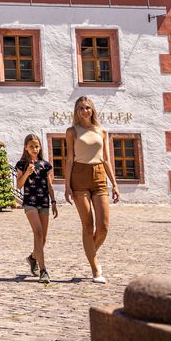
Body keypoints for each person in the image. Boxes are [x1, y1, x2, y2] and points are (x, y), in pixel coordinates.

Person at [63, 96, 119, 283]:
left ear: (92, 110)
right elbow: (69, 159)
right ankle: (96, 269)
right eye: (80, 108)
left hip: (99, 176)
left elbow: (106, 159)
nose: (84, 111)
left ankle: (90, 252)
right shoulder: (72, 131)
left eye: (87, 107)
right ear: (76, 111)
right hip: (79, 176)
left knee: (103, 226)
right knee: (88, 226)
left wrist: (115, 184)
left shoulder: (102, 131)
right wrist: (67, 186)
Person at [13, 134, 57, 283]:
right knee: (37, 233)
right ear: (26, 147)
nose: (34, 148)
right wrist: (27, 173)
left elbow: (49, 185)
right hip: (30, 203)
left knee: (42, 239)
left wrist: (54, 201)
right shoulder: (21, 164)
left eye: (37, 146)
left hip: (44, 202)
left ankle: (32, 258)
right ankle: (43, 271)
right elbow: (19, 185)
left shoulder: (45, 165)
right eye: (31, 146)